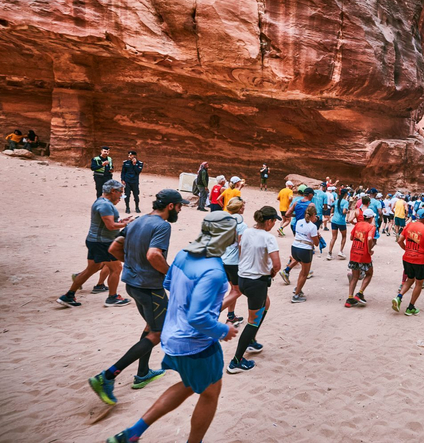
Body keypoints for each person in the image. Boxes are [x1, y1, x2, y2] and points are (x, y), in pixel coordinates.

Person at [105, 212, 240, 443]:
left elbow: (168, 283)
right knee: (210, 394)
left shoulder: (184, 254)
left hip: (171, 335)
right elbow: (198, 318)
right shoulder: (215, 272)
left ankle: (134, 432)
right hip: (196, 344)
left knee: (190, 384)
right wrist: (224, 331)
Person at [89, 189, 189, 406]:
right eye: (179, 206)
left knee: (150, 326)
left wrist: (133, 263)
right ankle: (107, 376)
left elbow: (114, 247)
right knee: (158, 333)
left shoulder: (137, 220)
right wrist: (171, 274)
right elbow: (154, 255)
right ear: (170, 206)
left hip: (132, 284)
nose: (180, 210)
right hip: (150, 287)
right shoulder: (163, 225)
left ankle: (143, 372)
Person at [57, 180, 132, 308]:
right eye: (121, 193)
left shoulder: (101, 202)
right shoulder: (105, 205)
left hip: (94, 241)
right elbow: (111, 226)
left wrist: (120, 220)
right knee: (116, 268)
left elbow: (108, 222)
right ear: (113, 191)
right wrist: (127, 224)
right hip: (103, 243)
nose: (121, 196)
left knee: (91, 269)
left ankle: (69, 296)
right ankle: (112, 298)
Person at [225, 206, 281, 373]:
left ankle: (251, 338)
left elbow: (241, 250)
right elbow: (277, 264)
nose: (274, 225)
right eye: (274, 221)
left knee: (266, 303)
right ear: (269, 221)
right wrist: (272, 272)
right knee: (252, 320)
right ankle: (236, 361)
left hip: (243, 278)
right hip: (257, 282)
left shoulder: (248, 231)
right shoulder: (268, 238)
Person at [392, 209, 424, 316]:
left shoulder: (409, 225)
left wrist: (406, 249)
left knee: (409, 279)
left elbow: (399, 240)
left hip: (407, 257)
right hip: (419, 260)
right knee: (419, 283)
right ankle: (410, 307)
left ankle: (399, 297)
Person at [220, 197, 248, 326]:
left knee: (233, 289)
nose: (244, 208)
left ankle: (231, 316)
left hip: (223, 259)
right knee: (238, 291)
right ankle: (213, 313)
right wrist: (244, 261)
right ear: (239, 208)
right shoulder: (241, 225)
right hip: (234, 262)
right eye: (242, 206)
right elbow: (241, 245)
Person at [345, 209, 376, 308]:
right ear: (371, 218)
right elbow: (370, 238)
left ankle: (350, 298)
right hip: (364, 254)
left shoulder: (357, 225)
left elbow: (351, 237)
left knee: (355, 276)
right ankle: (360, 293)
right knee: (369, 273)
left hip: (354, 252)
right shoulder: (371, 227)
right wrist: (369, 249)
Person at [290, 205, 320, 303]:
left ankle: (298, 288)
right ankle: (296, 295)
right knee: (305, 273)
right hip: (305, 249)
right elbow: (316, 243)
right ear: (313, 215)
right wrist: (318, 237)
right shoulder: (313, 227)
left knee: (302, 272)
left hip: (295, 247)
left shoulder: (299, 222)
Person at [327, 188, 350, 260]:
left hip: (334, 220)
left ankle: (329, 253)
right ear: (346, 194)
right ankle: (340, 251)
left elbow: (332, 206)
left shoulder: (336, 201)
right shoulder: (345, 202)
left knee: (333, 237)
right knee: (344, 236)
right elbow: (343, 211)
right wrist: (347, 212)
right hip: (341, 221)